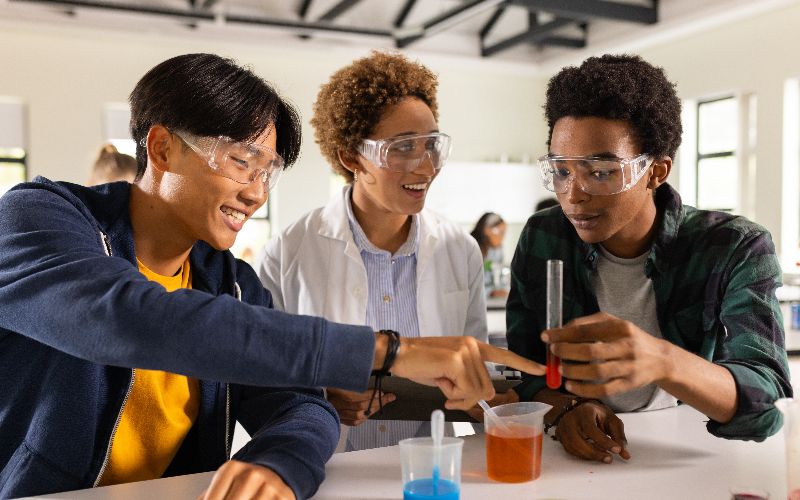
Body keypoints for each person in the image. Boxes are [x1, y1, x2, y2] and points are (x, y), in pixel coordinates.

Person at [0, 53, 544, 499]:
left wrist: (278, 464)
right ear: (162, 148)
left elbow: (301, 404)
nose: (258, 193)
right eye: (241, 162)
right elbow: (129, 320)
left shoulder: (229, 280)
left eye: (268, 172)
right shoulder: (38, 218)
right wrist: (387, 350)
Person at [481, 54, 792, 465]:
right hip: (574, 464)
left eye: (601, 171)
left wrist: (661, 360)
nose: (574, 194)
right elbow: (524, 372)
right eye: (561, 170)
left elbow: (765, 402)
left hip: (692, 456)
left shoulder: (734, 248)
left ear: (656, 171)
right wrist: (567, 409)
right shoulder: (545, 237)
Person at [257, 51, 487, 452]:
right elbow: (264, 373)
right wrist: (323, 396)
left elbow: (476, 364)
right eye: (402, 148)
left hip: (433, 464)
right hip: (331, 466)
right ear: (351, 157)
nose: (426, 167)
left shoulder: (459, 250)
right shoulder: (289, 251)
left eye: (431, 145)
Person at [469, 212, 508, 298]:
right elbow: (468, 285)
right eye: (501, 232)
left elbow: (499, 278)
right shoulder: (471, 249)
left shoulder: (497, 250)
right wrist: (489, 292)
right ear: (487, 230)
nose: (502, 237)